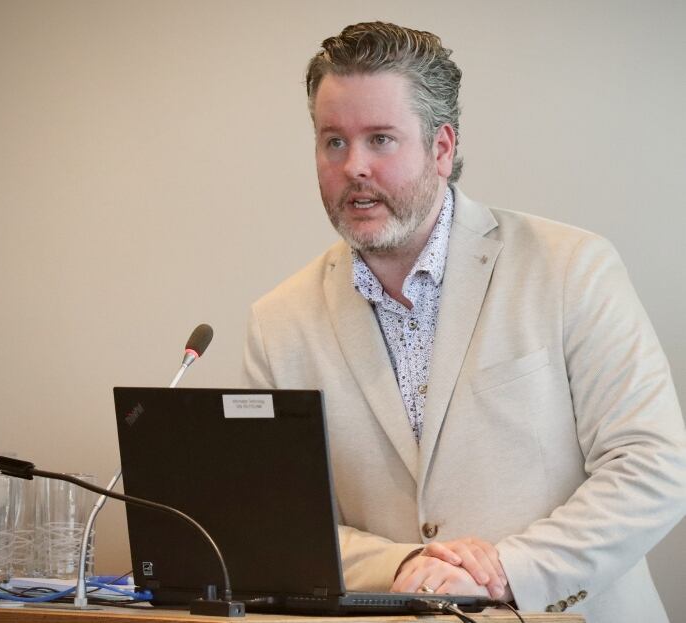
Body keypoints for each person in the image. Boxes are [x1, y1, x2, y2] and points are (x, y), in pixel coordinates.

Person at [243, 21, 686, 622]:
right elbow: (281, 521)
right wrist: (401, 567)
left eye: (380, 139)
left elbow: (654, 465)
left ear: (442, 149)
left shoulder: (571, 267)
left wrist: (507, 570)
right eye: (334, 142)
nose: (354, 168)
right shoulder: (278, 323)